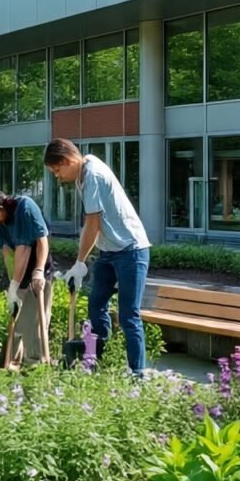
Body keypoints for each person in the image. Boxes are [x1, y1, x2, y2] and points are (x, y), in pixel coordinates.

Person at [44, 138, 151, 374]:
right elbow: (89, 223)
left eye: (57, 170)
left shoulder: (93, 175)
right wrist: (79, 263)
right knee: (96, 305)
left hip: (131, 251)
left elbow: (93, 223)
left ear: (67, 160)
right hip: (109, 252)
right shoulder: (84, 171)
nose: (57, 176)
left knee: (129, 315)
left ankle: (138, 374)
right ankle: (100, 362)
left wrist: (80, 263)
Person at [0, 190, 54, 364]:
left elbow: (31, 246)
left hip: (39, 268)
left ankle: (36, 364)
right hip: (21, 272)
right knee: (17, 320)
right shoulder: (2, 221)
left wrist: (38, 271)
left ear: (0, 208)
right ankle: (12, 364)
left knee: (34, 323)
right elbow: (7, 252)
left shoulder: (24, 207)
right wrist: (12, 287)